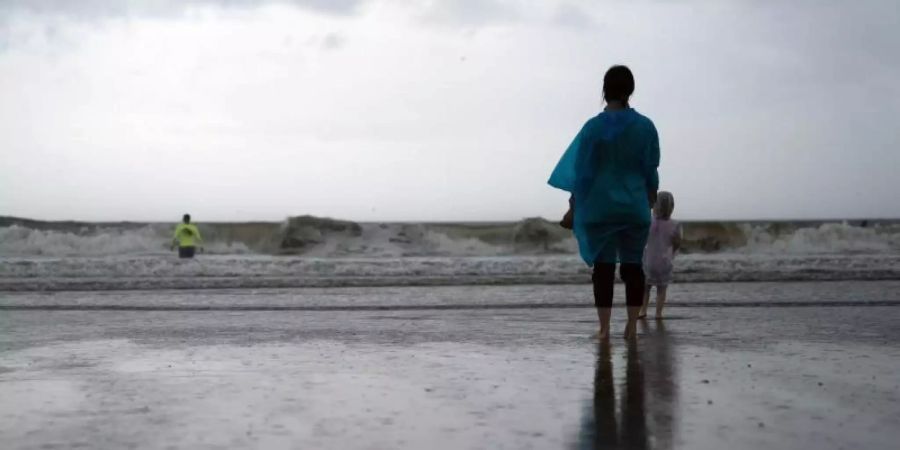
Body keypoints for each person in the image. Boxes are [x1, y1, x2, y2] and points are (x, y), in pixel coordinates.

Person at [548, 65, 660, 340]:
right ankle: (632, 326)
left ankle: (604, 328)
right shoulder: (645, 126)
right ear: (630, 90)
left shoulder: (593, 127)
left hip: (600, 208)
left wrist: (573, 205)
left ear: (605, 90)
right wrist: (651, 198)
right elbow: (651, 168)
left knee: (604, 270)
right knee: (633, 267)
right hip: (634, 207)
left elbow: (582, 173)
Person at [640, 191, 681, 319]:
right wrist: (672, 253)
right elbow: (677, 243)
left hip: (649, 261)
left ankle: (643, 310)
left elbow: (641, 240)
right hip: (665, 262)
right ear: (671, 207)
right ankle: (658, 313)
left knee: (646, 288)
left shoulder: (648, 222)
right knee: (661, 290)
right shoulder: (675, 224)